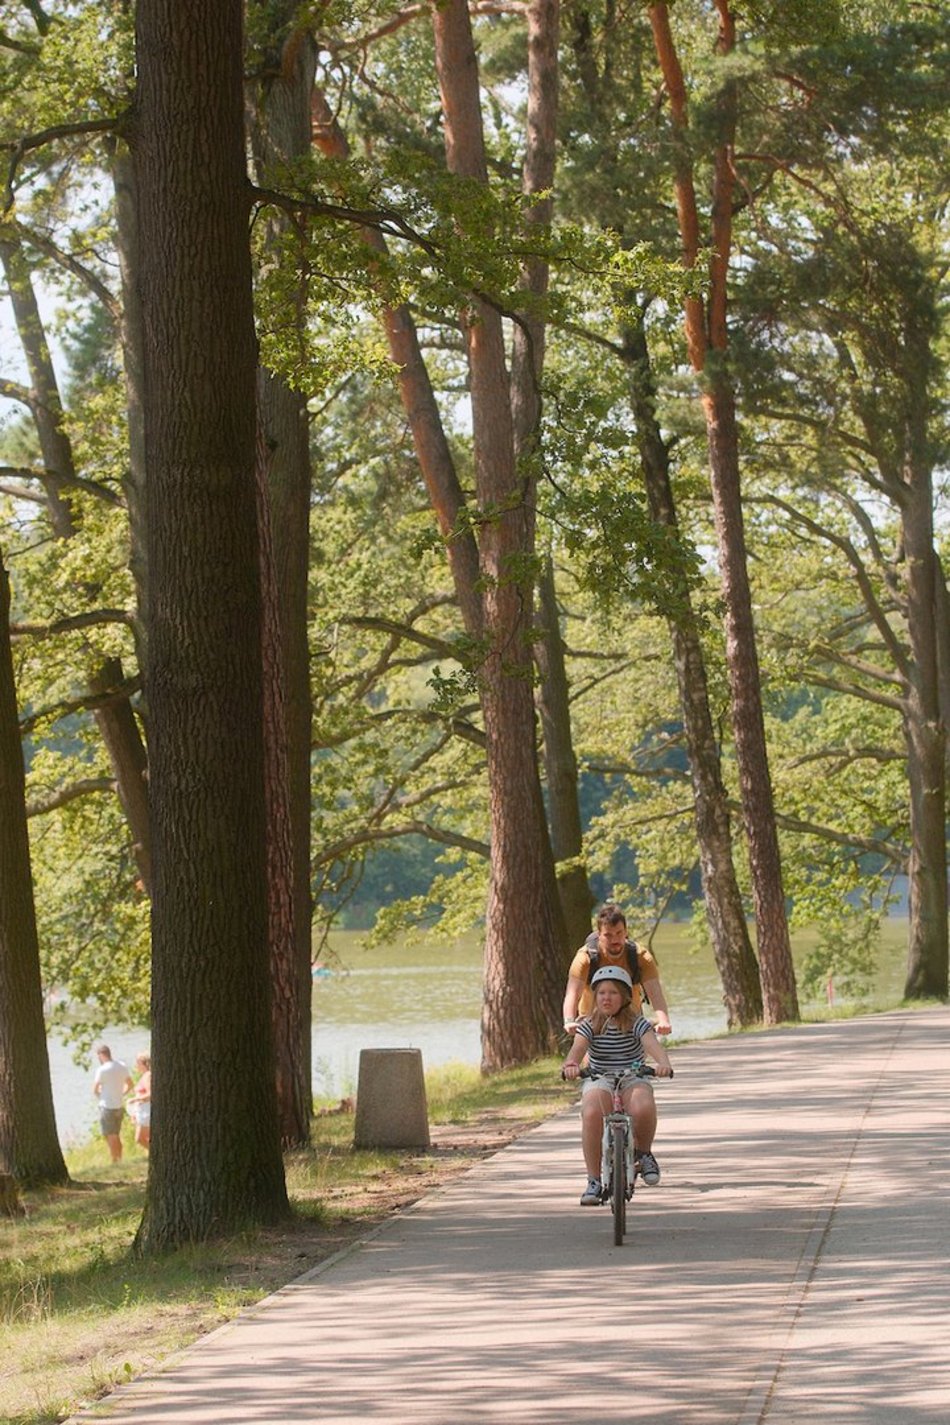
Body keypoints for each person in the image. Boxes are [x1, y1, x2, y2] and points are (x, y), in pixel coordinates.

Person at [562, 964, 673, 1205]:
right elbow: (578, 1049)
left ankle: (644, 1154)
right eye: (601, 993)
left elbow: (652, 1045)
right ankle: (593, 1180)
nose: (606, 998)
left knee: (642, 1106)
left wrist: (663, 1064)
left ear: (624, 997)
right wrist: (571, 1064)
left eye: (613, 993)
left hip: (632, 1075)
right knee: (591, 1112)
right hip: (599, 1077)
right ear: (595, 997)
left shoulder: (637, 1023)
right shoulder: (589, 1025)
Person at [562, 902, 672, 1038]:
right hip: (592, 1023)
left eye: (619, 933)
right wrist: (569, 1020)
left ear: (626, 932)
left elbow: (655, 992)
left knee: (643, 1049)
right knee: (584, 1051)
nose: (615, 940)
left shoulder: (640, 957)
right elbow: (572, 993)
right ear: (599, 935)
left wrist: (663, 1020)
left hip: (630, 1022)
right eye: (608, 935)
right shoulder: (585, 958)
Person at [93, 1045, 132, 1163]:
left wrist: (100, 1097)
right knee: (116, 1134)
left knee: (110, 1135)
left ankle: (115, 1160)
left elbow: (95, 1089)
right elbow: (130, 1084)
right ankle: (119, 1158)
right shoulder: (122, 1066)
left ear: (101, 1055)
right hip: (119, 1105)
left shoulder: (102, 1070)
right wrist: (122, 1094)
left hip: (107, 1106)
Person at [127, 1052, 151, 1151]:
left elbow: (150, 1094)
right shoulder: (144, 1076)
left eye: (137, 1062)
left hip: (146, 1112)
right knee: (143, 1138)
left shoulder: (148, 1075)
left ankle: (156, 1155)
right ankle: (155, 1155)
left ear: (143, 1063)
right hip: (142, 1112)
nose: (136, 1065)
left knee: (140, 1139)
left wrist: (135, 1099)